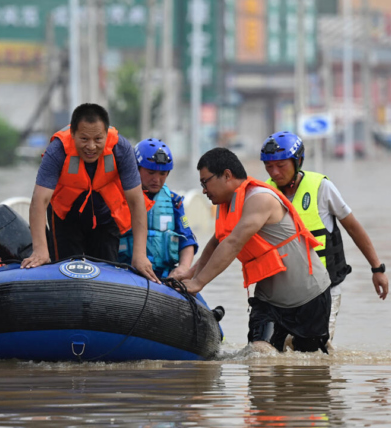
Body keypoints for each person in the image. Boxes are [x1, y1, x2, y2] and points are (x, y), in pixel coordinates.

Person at [181, 148, 332, 353]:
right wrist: (190, 274)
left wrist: (198, 283)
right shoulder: (226, 206)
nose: (204, 190)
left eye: (205, 182)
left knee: (310, 369)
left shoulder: (259, 199)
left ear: (226, 175)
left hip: (308, 298)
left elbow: (233, 243)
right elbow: (216, 243)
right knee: (258, 355)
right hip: (268, 302)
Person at [260, 131, 389, 345]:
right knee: (273, 351)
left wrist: (377, 268)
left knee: (315, 351)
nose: (274, 172)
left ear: (298, 161)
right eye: (268, 166)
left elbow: (354, 228)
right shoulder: (264, 193)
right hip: (283, 287)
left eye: (281, 166)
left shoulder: (322, 188)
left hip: (324, 286)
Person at [20, 103, 158, 282]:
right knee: (65, 272)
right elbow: (39, 200)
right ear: (73, 134)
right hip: (65, 217)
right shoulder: (57, 150)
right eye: (84, 139)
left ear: (106, 135)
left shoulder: (121, 149)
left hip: (105, 217)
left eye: (98, 139)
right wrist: (40, 249)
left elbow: (136, 202)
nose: (91, 147)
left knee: (106, 274)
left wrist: (140, 255)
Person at [117, 138, 198, 279]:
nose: (157, 179)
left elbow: (187, 240)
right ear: (136, 168)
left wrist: (183, 268)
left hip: (162, 277)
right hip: (124, 274)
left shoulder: (174, 202)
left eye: (162, 174)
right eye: (150, 172)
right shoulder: (118, 197)